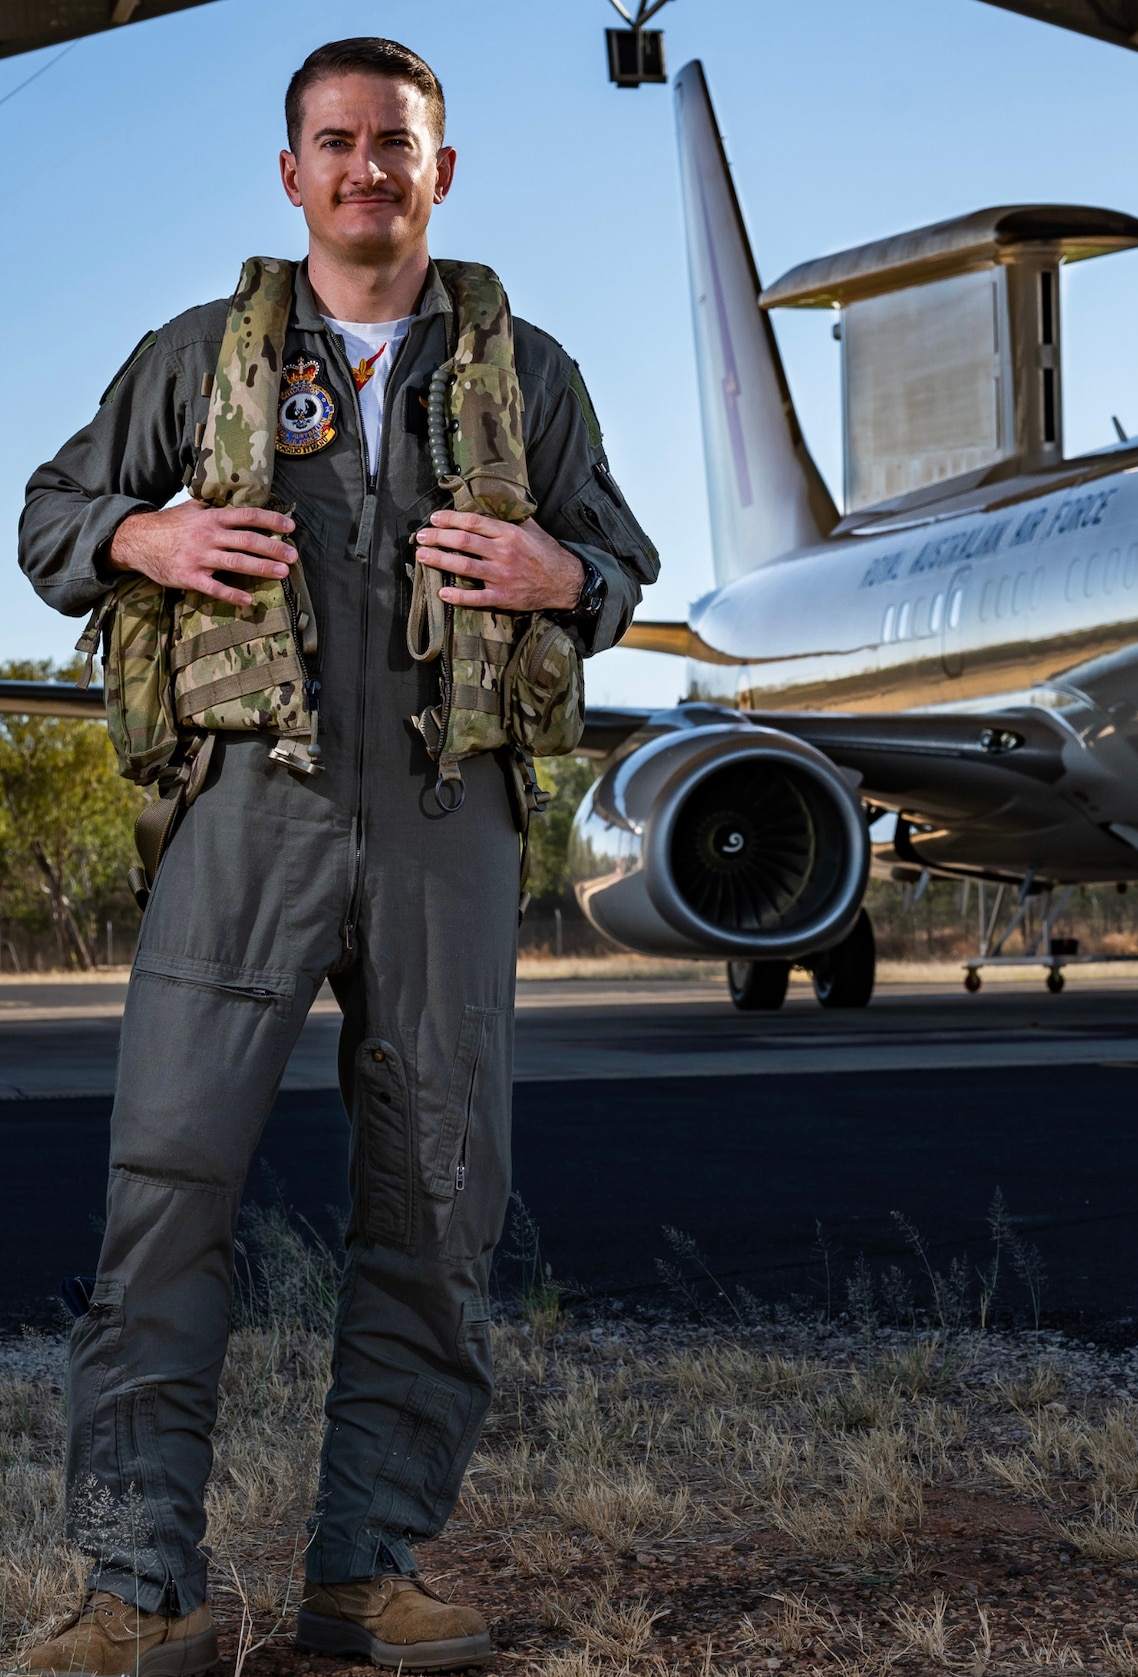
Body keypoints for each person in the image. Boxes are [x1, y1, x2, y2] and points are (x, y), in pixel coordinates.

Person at [15, 37, 657, 1675]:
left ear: (444, 171)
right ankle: (135, 1589)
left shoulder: (531, 375)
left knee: (439, 1196)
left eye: (397, 144)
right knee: (167, 1189)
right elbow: (47, 519)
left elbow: (620, 562)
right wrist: (142, 534)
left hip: (449, 817)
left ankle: (367, 1572)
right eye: (337, 142)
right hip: (245, 813)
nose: (368, 168)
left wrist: (548, 563)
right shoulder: (199, 356)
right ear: (290, 172)